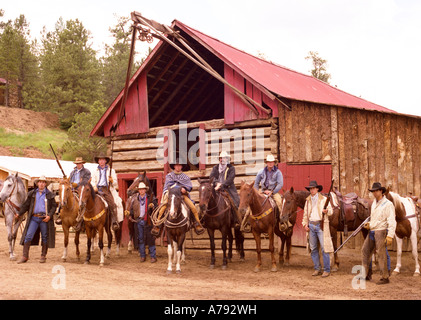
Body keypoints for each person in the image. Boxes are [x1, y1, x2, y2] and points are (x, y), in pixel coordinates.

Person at [151, 155, 204, 236]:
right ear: (174, 166)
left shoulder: (185, 177)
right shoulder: (169, 176)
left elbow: (189, 186)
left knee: (192, 207)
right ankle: (157, 225)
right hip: (171, 196)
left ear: (182, 166)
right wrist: (174, 189)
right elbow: (167, 187)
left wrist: (185, 189)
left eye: (180, 165)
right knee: (162, 208)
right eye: (176, 165)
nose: (178, 167)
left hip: (182, 196)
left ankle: (197, 224)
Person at [17, 175, 57, 264]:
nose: (41, 184)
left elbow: (54, 206)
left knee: (45, 237)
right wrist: (19, 214)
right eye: (40, 182)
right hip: (34, 218)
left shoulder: (50, 195)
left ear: (45, 184)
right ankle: (25, 256)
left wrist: (49, 216)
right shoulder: (32, 194)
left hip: (44, 219)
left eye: (43, 182)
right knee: (28, 236)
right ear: (37, 183)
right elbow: (26, 205)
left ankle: (43, 256)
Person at [362, 182, 396, 285]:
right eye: (373, 191)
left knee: (381, 254)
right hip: (372, 230)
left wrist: (390, 235)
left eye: (376, 191)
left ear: (381, 191)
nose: (374, 193)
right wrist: (369, 223)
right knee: (365, 250)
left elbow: (392, 221)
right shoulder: (374, 203)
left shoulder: (388, 204)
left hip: (381, 231)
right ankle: (366, 274)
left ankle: (385, 277)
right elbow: (374, 218)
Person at [302, 180, 334, 278]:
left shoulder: (324, 199)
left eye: (313, 188)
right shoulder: (308, 201)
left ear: (317, 189)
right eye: (310, 189)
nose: (312, 190)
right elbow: (305, 214)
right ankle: (317, 268)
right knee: (313, 248)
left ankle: (327, 270)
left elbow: (331, 211)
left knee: (325, 248)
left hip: (321, 225)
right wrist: (305, 224)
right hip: (311, 225)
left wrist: (326, 211)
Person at [209, 151, 242, 226]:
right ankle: (205, 219)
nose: (222, 159)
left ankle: (237, 220)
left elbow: (230, 179)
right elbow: (211, 177)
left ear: (227, 159)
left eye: (223, 158)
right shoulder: (215, 167)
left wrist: (222, 185)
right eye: (220, 158)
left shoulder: (231, 168)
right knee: (207, 199)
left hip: (228, 188)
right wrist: (217, 183)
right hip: (216, 187)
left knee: (235, 201)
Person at [56, 157, 91, 225]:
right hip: (72, 189)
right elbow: (70, 181)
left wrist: (77, 184)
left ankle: (82, 217)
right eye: (77, 163)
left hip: (81, 189)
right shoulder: (73, 172)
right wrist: (66, 181)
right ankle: (59, 214)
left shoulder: (86, 172)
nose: (78, 165)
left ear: (82, 164)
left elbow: (85, 181)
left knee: (83, 201)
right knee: (64, 196)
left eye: (79, 163)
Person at [129, 182, 158, 263]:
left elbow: (156, 208)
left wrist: (153, 206)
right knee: (140, 239)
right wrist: (130, 215)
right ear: (138, 190)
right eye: (140, 189)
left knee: (150, 239)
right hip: (138, 221)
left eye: (143, 189)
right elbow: (132, 210)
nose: (142, 191)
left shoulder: (150, 198)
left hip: (148, 221)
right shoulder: (135, 199)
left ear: (145, 190)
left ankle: (153, 256)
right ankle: (142, 256)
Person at [90, 155, 120, 231]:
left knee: (112, 203)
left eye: (103, 160)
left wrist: (112, 181)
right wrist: (94, 186)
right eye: (100, 160)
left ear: (106, 161)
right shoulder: (94, 171)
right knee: (86, 201)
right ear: (98, 161)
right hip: (97, 189)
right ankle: (84, 221)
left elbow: (116, 183)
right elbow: (93, 181)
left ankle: (114, 221)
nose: (101, 161)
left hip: (107, 189)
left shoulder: (111, 171)